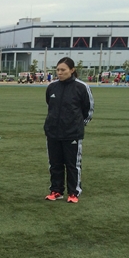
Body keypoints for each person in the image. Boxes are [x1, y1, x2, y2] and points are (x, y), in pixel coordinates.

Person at [44, 57, 94, 203]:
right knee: (55, 163)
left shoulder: (81, 87)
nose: (59, 73)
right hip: (53, 133)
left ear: (72, 70)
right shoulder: (52, 87)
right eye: (58, 70)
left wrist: (77, 125)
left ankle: (74, 192)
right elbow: (50, 105)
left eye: (63, 70)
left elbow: (88, 110)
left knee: (72, 164)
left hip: (72, 133)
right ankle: (56, 190)